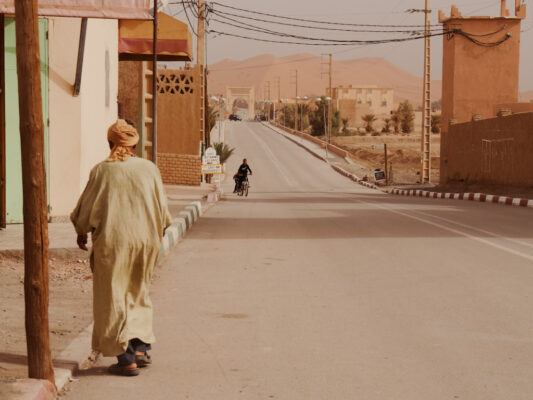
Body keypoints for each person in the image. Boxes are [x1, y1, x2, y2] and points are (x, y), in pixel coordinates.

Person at [70, 119, 172, 377]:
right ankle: (139, 347)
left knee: (113, 295)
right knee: (138, 291)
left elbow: (85, 210)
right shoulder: (149, 168)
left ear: (110, 142)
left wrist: (81, 230)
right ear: (135, 144)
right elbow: (163, 211)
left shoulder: (102, 170)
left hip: (114, 242)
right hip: (146, 239)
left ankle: (126, 358)